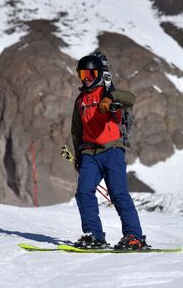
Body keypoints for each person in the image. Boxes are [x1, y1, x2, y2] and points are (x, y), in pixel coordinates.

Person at [71, 52, 149, 250]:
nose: (87, 79)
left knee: (118, 194)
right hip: (89, 153)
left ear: (98, 74)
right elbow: (76, 131)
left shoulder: (107, 93)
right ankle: (93, 235)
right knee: (83, 192)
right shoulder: (80, 101)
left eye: (91, 74)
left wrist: (111, 99)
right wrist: (78, 156)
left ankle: (134, 237)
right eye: (83, 75)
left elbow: (129, 98)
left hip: (112, 150)